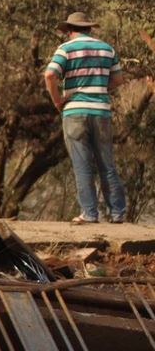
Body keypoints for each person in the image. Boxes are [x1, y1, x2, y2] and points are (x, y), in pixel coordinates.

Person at [44, 12, 127, 224]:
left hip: (75, 111)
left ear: (70, 30)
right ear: (89, 28)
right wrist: (98, 86)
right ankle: (117, 212)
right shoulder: (107, 48)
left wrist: (57, 100)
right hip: (101, 110)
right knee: (106, 163)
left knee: (82, 163)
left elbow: (50, 74)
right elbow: (118, 79)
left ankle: (90, 214)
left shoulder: (66, 49)